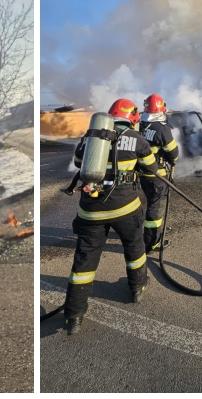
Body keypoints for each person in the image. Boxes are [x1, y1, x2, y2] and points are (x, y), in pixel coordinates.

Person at [63, 99, 159, 335]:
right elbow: (151, 169)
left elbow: (77, 163)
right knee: (135, 248)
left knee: (84, 260)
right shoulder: (136, 139)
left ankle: (74, 314)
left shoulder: (91, 136)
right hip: (125, 208)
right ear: (131, 118)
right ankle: (137, 288)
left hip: (90, 210)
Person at [138, 94, 180, 253]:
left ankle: (156, 230)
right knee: (155, 208)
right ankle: (152, 242)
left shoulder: (140, 125)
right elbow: (173, 153)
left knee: (151, 204)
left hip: (143, 174)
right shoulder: (162, 128)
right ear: (161, 109)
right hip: (158, 176)